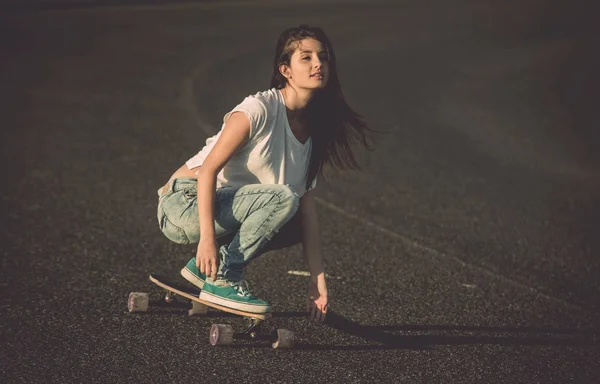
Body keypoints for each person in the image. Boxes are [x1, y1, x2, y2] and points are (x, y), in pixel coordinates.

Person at [156, 25, 374, 323]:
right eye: (306, 58)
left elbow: (308, 214)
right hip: (183, 202)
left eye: (323, 57)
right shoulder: (258, 109)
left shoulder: (313, 135)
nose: (318, 64)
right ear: (286, 70)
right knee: (283, 198)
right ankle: (223, 278)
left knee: (295, 219)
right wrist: (206, 239)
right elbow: (208, 171)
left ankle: (203, 269)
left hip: (223, 208)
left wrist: (317, 280)